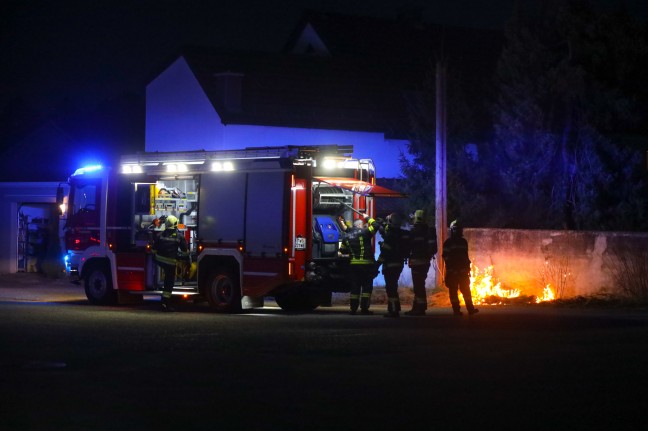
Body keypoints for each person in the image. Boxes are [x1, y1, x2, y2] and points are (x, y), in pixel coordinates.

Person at [340, 213, 379, 315]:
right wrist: (367, 218)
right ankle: (364, 309)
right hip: (366, 265)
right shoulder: (365, 232)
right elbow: (376, 226)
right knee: (366, 288)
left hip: (354, 266)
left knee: (355, 287)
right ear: (360, 225)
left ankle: (353, 309)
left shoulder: (346, 236)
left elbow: (342, 250)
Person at [442, 220, 479, 316]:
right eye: (456, 229)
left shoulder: (460, 242)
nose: (457, 231)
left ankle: (469, 309)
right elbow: (446, 257)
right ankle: (458, 310)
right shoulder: (452, 242)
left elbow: (465, 257)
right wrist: (451, 269)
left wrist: (467, 268)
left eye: (458, 229)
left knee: (464, 291)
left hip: (459, 271)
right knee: (456, 291)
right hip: (455, 271)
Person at [377, 212, 410, 318]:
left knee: (391, 288)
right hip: (399, 264)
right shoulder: (401, 234)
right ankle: (393, 308)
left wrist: (377, 264)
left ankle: (394, 310)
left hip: (390, 264)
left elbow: (385, 252)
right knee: (393, 286)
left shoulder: (390, 236)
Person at [152, 215, 188, 312]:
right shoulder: (179, 236)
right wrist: (184, 258)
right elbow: (185, 252)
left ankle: (164, 302)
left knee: (167, 281)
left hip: (159, 260)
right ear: (176, 225)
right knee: (169, 283)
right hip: (170, 262)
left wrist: (155, 258)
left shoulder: (160, 235)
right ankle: (165, 303)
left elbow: (153, 250)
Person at [405, 210, 437, 316]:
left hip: (415, 262)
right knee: (420, 284)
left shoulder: (413, 231)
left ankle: (420, 308)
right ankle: (417, 307)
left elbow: (407, 247)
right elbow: (434, 248)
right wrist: (427, 255)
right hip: (425, 262)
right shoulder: (430, 231)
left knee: (418, 286)